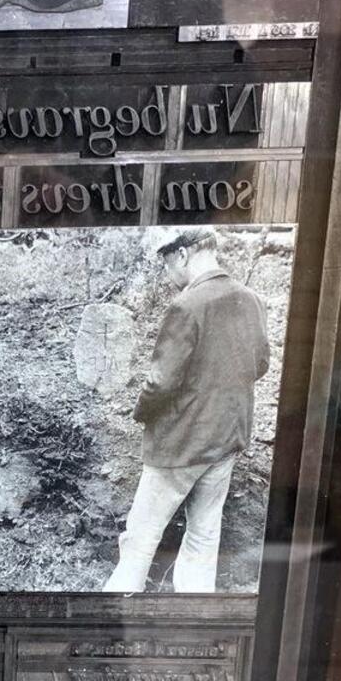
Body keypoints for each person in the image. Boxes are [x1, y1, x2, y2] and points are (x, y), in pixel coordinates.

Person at [103, 229, 270, 593]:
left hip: (182, 444)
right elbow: (260, 365)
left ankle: (114, 612)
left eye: (166, 262)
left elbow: (161, 383)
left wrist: (141, 412)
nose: (168, 273)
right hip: (227, 439)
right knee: (204, 536)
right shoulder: (252, 300)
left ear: (182, 254)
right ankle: (193, 616)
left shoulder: (187, 305)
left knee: (141, 538)